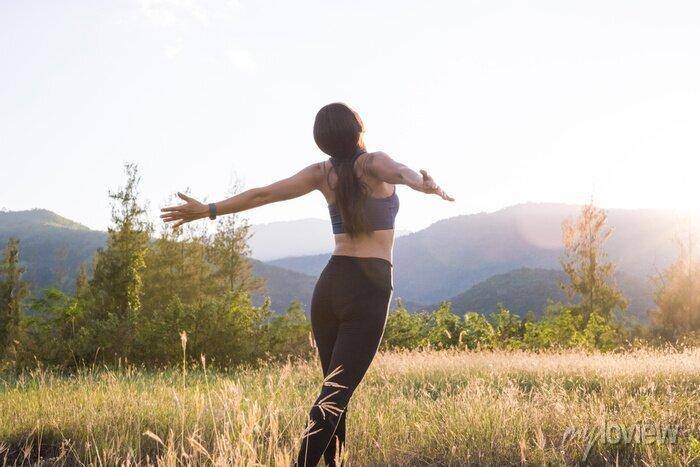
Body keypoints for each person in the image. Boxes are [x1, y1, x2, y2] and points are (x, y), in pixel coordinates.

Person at [160, 102, 454, 466]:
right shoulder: (373, 162)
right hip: (368, 288)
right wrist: (422, 185)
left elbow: (263, 194)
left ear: (322, 141)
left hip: (330, 286)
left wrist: (209, 210)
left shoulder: (321, 173)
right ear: (358, 129)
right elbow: (401, 171)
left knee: (334, 396)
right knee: (335, 396)